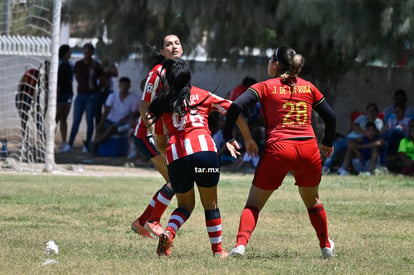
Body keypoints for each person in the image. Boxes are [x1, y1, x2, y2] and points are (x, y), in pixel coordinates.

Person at [223, 46, 336, 259]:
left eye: (269, 59)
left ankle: (240, 246)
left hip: (279, 148)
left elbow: (236, 105)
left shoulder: (265, 86)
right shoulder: (308, 87)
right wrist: (327, 143)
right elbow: (330, 117)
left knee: (254, 203)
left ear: (275, 64)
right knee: (312, 201)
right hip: (308, 148)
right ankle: (325, 246)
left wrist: (229, 136)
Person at [149, 58, 258, 257]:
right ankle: (217, 250)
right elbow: (234, 109)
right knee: (211, 205)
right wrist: (247, 138)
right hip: (205, 155)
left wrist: (173, 158)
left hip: (177, 158)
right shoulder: (201, 94)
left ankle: (169, 232)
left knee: (185, 206)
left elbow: (160, 144)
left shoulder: (162, 104)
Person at [130, 34, 184, 239]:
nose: (174, 46)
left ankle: (142, 222)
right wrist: (154, 131)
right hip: (147, 135)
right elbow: (144, 105)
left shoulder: (179, 73)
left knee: (176, 180)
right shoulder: (158, 73)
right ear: (162, 52)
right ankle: (148, 221)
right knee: (175, 180)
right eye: (168, 44)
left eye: (177, 43)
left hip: (163, 136)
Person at [61, 43, 103, 153]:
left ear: (92, 53)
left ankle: (87, 144)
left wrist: (96, 90)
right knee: (76, 120)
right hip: (80, 95)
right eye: (85, 52)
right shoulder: (78, 65)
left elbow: (102, 79)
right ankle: (70, 144)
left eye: (89, 53)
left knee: (89, 121)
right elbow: (76, 77)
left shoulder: (95, 65)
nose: (87, 55)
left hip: (91, 95)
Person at [322, 102, 383, 174]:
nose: (370, 113)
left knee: (350, 148)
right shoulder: (362, 118)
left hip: (363, 141)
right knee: (337, 144)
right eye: (369, 111)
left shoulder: (378, 121)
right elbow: (354, 126)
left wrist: (365, 136)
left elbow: (376, 134)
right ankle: (326, 167)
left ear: (376, 112)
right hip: (351, 138)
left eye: (373, 111)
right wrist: (364, 133)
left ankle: (343, 169)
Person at [89, 77, 139, 153]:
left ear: (129, 86)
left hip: (123, 123)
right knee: (99, 128)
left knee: (112, 128)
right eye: (122, 85)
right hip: (110, 120)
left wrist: (124, 119)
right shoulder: (112, 96)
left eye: (126, 85)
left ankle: (96, 143)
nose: (124, 87)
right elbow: (106, 111)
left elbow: (132, 113)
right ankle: (96, 148)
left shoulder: (134, 98)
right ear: (119, 86)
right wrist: (101, 123)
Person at [15, 60, 49, 143]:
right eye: (46, 68)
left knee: (38, 119)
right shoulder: (32, 72)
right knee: (24, 118)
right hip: (22, 96)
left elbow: (46, 95)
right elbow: (20, 86)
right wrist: (20, 101)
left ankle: (44, 140)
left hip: (34, 98)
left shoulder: (46, 80)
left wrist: (45, 107)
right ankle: (25, 140)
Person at [56, 45, 74, 152]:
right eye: (69, 51)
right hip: (59, 94)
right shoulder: (57, 65)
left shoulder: (70, 65)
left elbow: (71, 80)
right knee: (56, 118)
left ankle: (64, 142)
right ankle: (49, 141)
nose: (71, 53)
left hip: (68, 94)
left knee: (64, 118)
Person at [95, 59, 119, 126]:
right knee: (97, 111)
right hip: (99, 89)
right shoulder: (97, 64)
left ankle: (106, 126)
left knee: (108, 110)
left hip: (107, 90)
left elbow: (116, 74)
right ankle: (99, 127)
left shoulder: (111, 65)